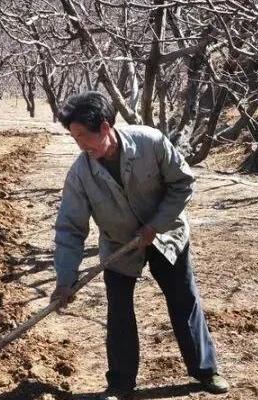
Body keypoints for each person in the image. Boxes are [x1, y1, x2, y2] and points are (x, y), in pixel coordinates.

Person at [49, 91, 229, 400]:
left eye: (82, 137)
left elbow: (182, 183)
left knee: (184, 300)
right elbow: (70, 229)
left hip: (167, 234)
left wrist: (156, 225)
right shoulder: (81, 173)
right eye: (74, 138)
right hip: (119, 245)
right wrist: (65, 280)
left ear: (105, 127)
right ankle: (120, 383)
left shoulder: (151, 142)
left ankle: (205, 370)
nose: (80, 146)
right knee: (119, 311)